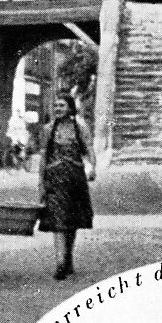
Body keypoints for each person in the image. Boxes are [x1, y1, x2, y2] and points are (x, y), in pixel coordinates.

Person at [37, 93, 95, 280]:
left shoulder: (80, 128)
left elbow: (88, 149)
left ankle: (68, 257)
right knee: (58, 221)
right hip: (55, 181)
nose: (57, 109)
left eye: (61, 105)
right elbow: (44, 156)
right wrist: (41, 181)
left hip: (75, 180)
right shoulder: (48, 129)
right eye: (55, 106)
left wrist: (93, 167)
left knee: (72, 221)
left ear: (70, 108)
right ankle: (60, 263)